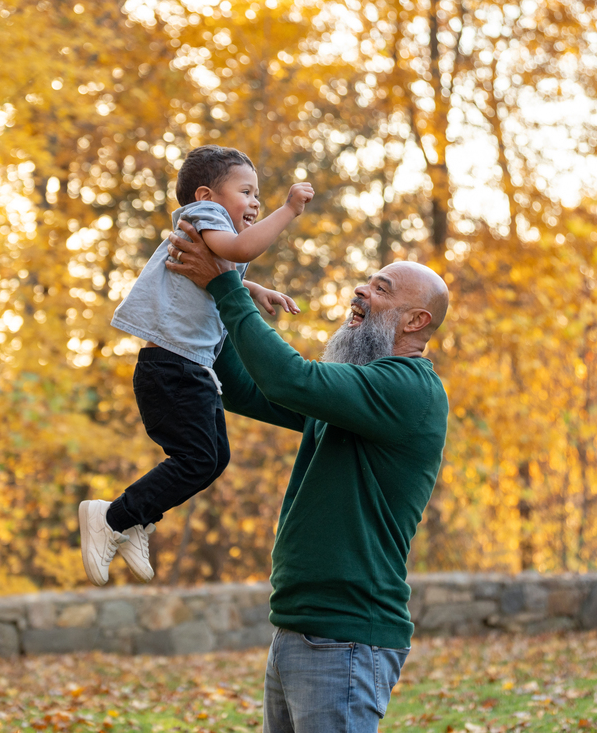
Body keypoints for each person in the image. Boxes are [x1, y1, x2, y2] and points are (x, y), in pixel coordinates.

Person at [165, 220, 450, 733]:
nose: (361, 289)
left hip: (346, 637)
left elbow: (289, 378)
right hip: (302, 629)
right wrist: (211, 301)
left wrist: (226, 287)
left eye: (381, 288)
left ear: (416, 320)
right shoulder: (356, 394)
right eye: (368, 279)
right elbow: (252, 389)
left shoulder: (407, 390)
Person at [79, 145, 314, 586]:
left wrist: (254, 290)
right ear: (207, 195)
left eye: (259, 195)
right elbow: (241, 250)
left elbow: (224, 267)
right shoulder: (205, 216)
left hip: (185, 369)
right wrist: (286, 211)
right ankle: (113, 517)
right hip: (172, 369)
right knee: (200, 458)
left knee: (211, 457)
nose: (256, 202)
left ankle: (133, 520)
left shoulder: (209, 230)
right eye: (246, 191)